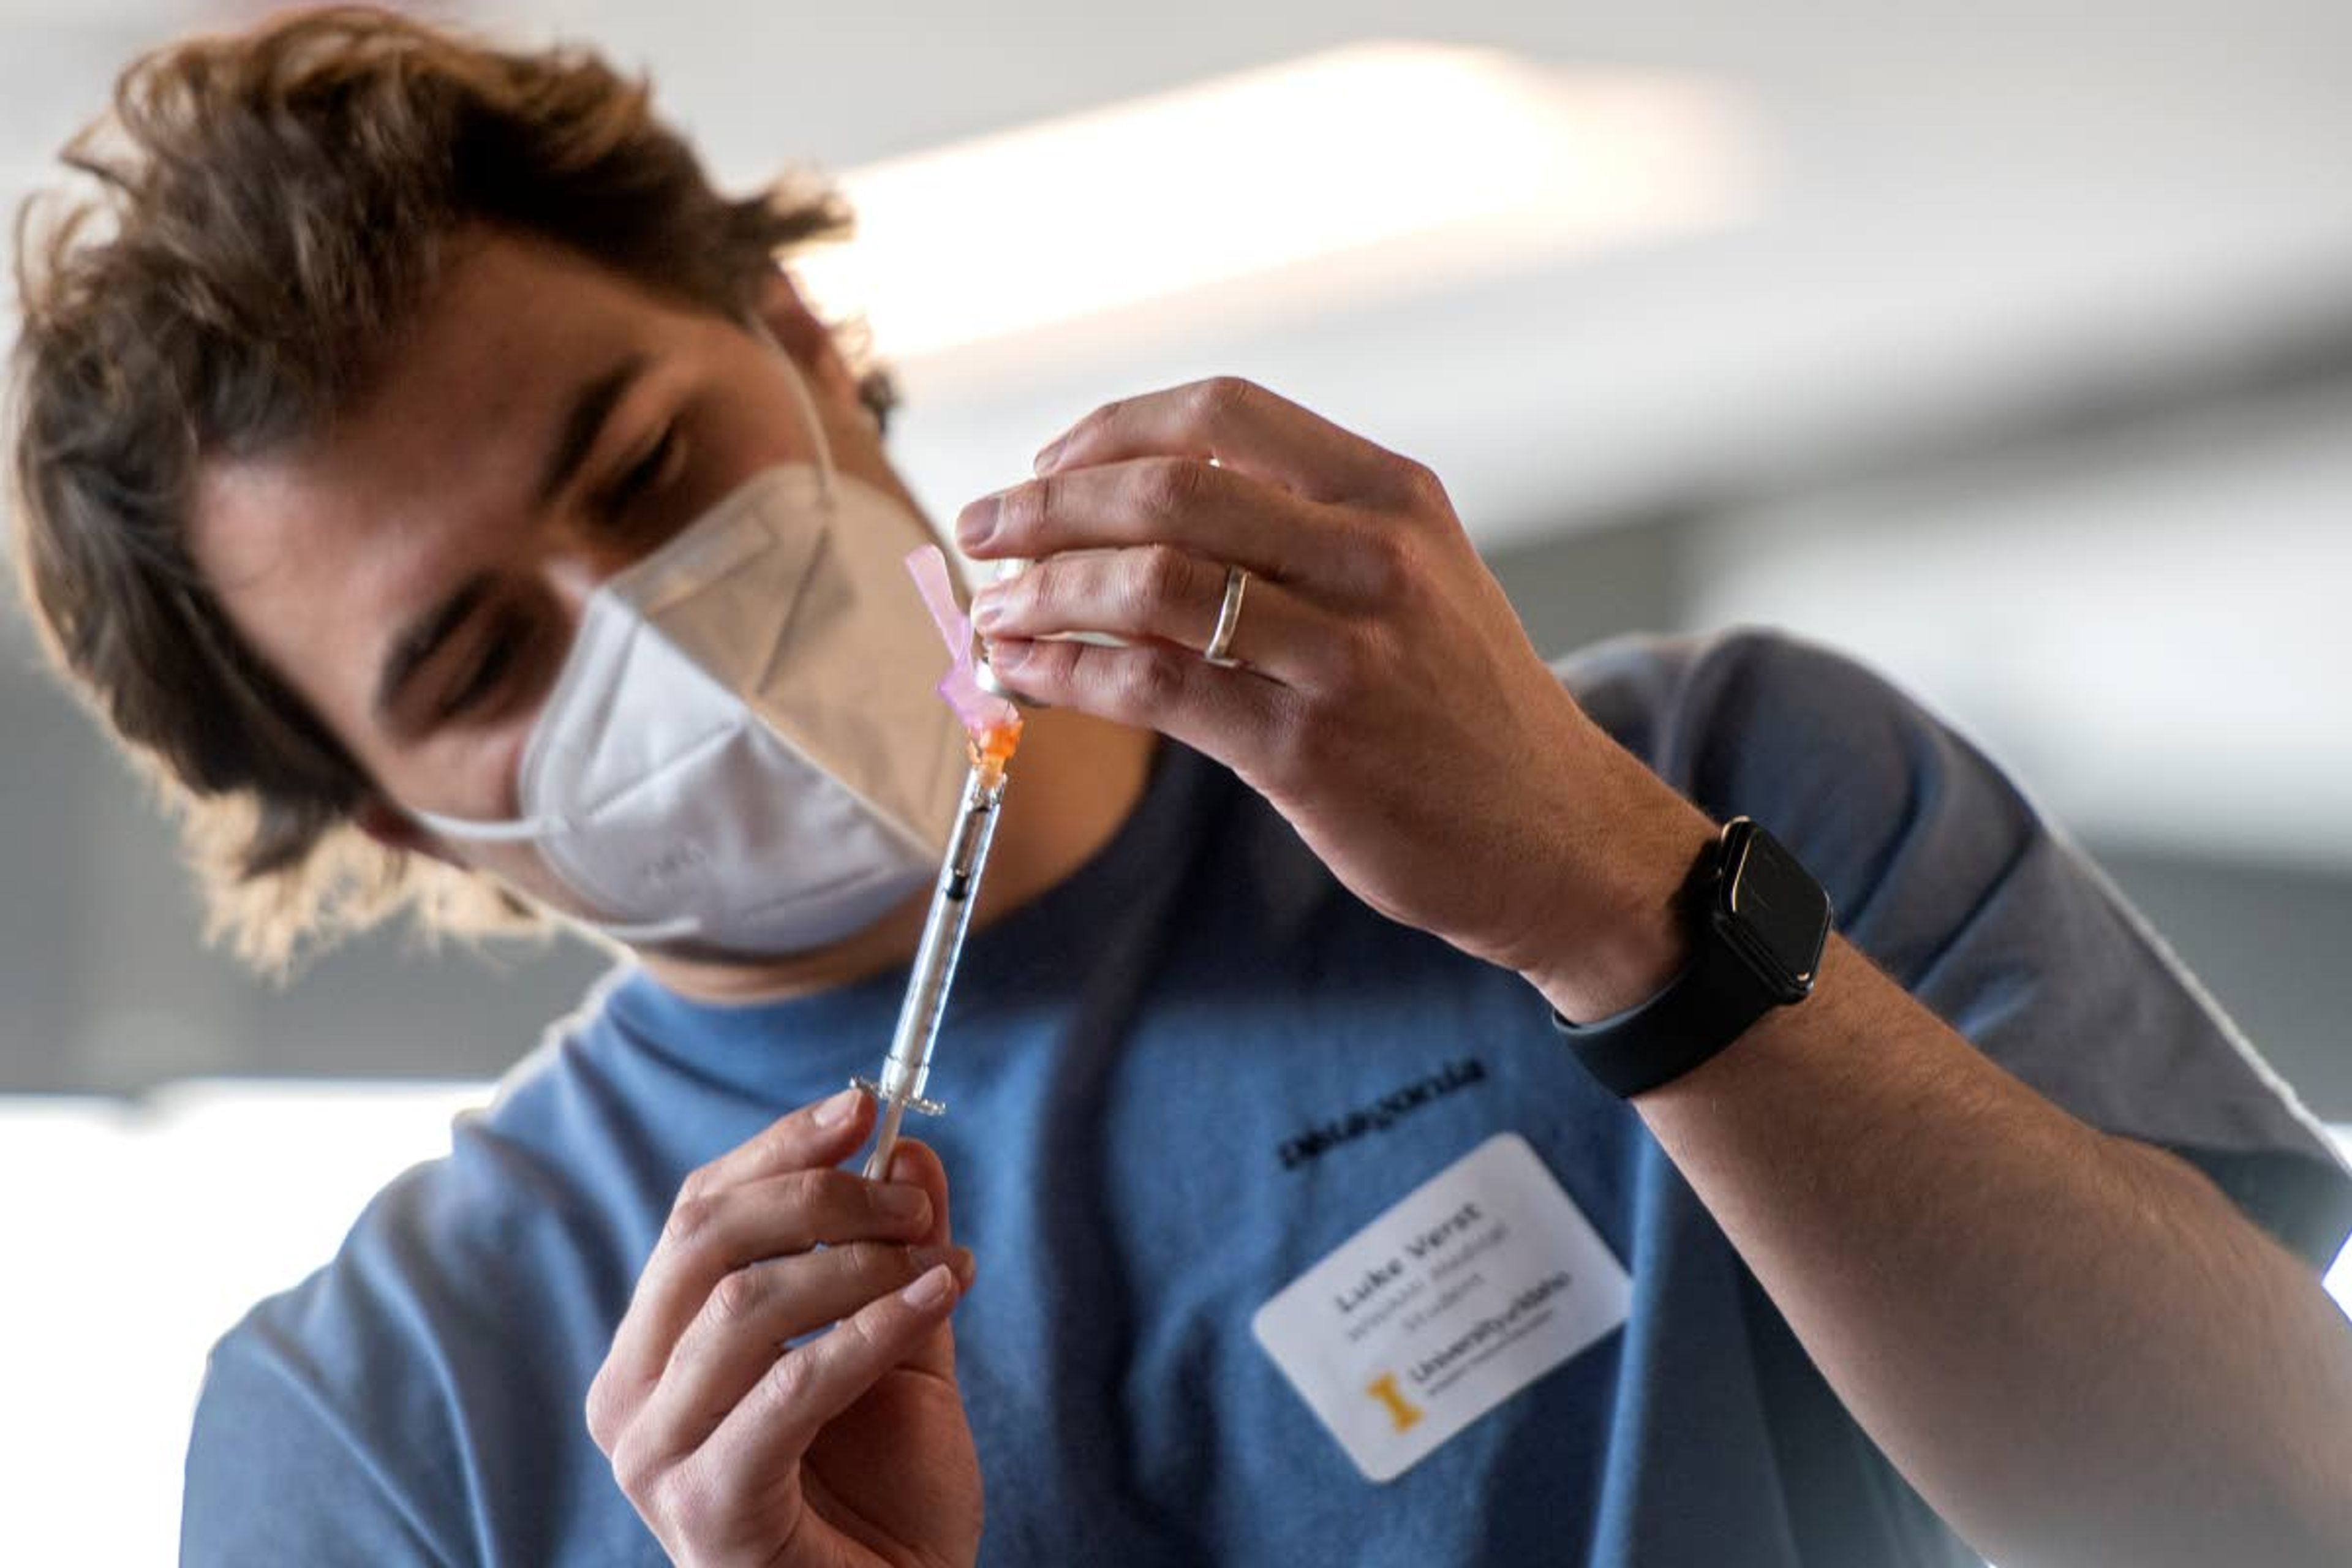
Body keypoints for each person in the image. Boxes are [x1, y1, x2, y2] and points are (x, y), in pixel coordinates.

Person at [10, 9, 2351, 1566]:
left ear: (807, 344)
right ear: (410, 827)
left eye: (648, 463)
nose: (654, 620)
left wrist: (1618, 906)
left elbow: (2271, 1511)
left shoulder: (1716, 779)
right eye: (486, 659)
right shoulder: (393, 1421)